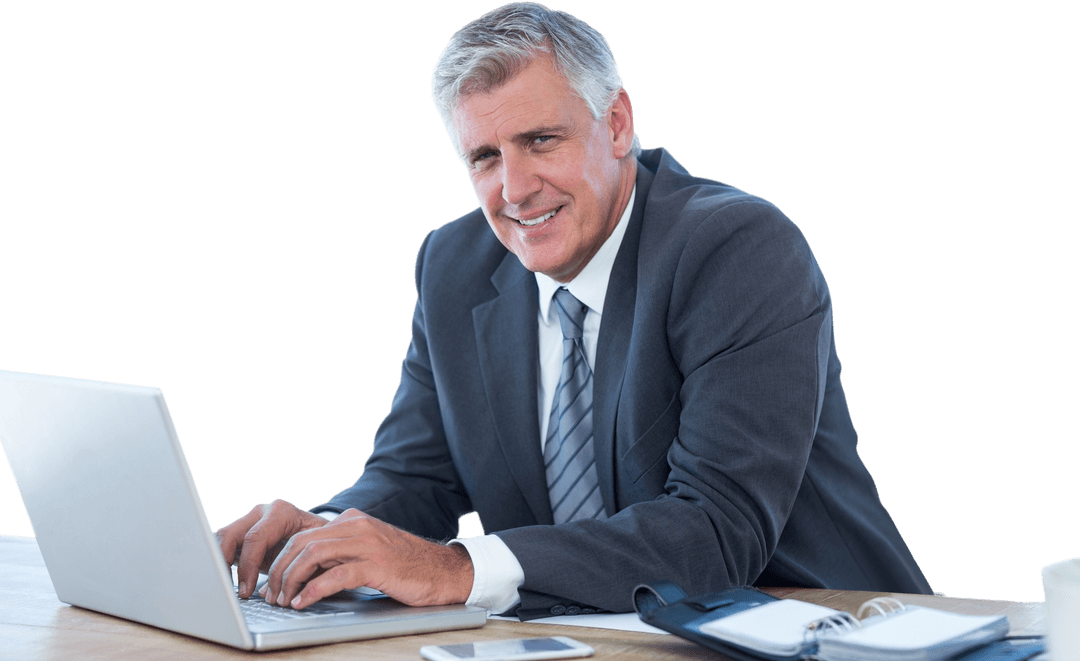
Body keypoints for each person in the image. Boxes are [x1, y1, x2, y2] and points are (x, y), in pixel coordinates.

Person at [216, 2, 932, 621]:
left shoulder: (734, 248)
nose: (515, 188)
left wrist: (456, 569)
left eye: (540, 141)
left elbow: (718, 533)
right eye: (484, 157)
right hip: (591, 638)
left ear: (617, 123)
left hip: (824, 628)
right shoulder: (454, 266)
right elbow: (413, 478)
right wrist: (327, 537)